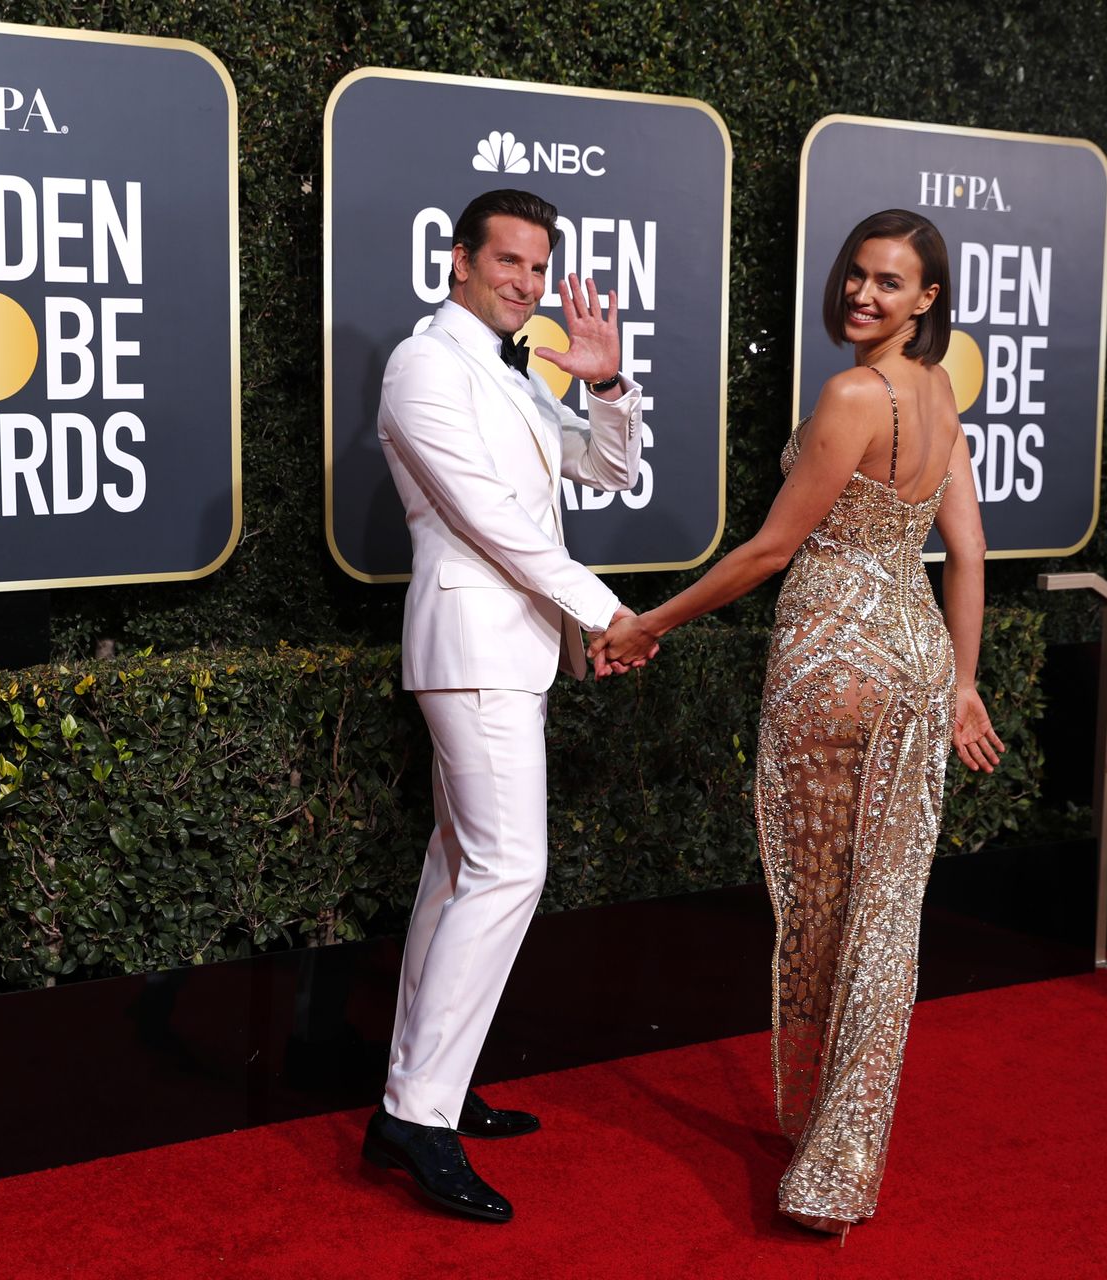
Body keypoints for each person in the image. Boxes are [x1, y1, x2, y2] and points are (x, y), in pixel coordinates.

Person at [590, 209, 1004, 1237]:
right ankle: (842, 1147)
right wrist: (961, 679)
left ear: (927, 300)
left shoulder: (854, 393)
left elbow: (772, 549)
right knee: (889, 913)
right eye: (858, 273)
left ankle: (829, 1159)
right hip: (913, 662)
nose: (865, 293)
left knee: (824, 906)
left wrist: (653, 622)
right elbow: (968, 547)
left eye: (890, 282)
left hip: (833, 662)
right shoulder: (940, 391)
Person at [362, 189, 653, 1223]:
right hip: (474, 646)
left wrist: (606, 379)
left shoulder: (512, 376)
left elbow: (612, 468)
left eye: (538, 268)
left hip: (511, 652)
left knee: (456, 869)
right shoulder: (423, 367)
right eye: (509, 262)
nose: (525, 284)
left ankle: (422, 1084)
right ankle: (417, 1113)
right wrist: (607, 610)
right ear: (458, 261)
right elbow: (490, 523)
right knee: (506, 866)